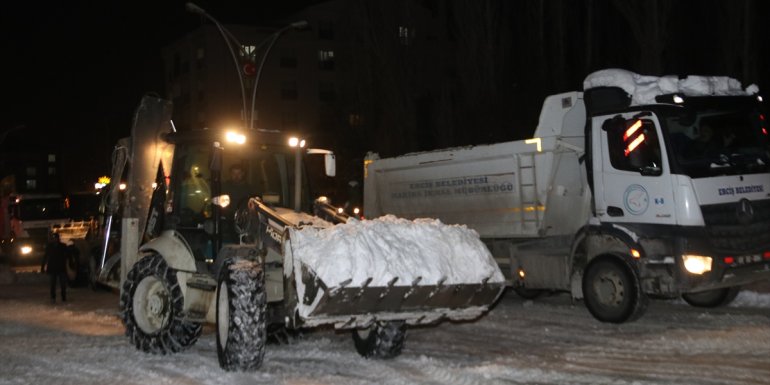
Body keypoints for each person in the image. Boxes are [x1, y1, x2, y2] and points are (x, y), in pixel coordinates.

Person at [41, 232, 69, 303]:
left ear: (58, 238)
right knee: (53, 283)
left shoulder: (63, 246)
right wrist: (43, 266)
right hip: (53, 267)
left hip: (61, 267)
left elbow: (67, 256)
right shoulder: (50, 246)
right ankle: (53, 297)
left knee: (62, 283)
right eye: (54, 238)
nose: (55, 239)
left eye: (56, 238)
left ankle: (63, 297)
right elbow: (45, 257)